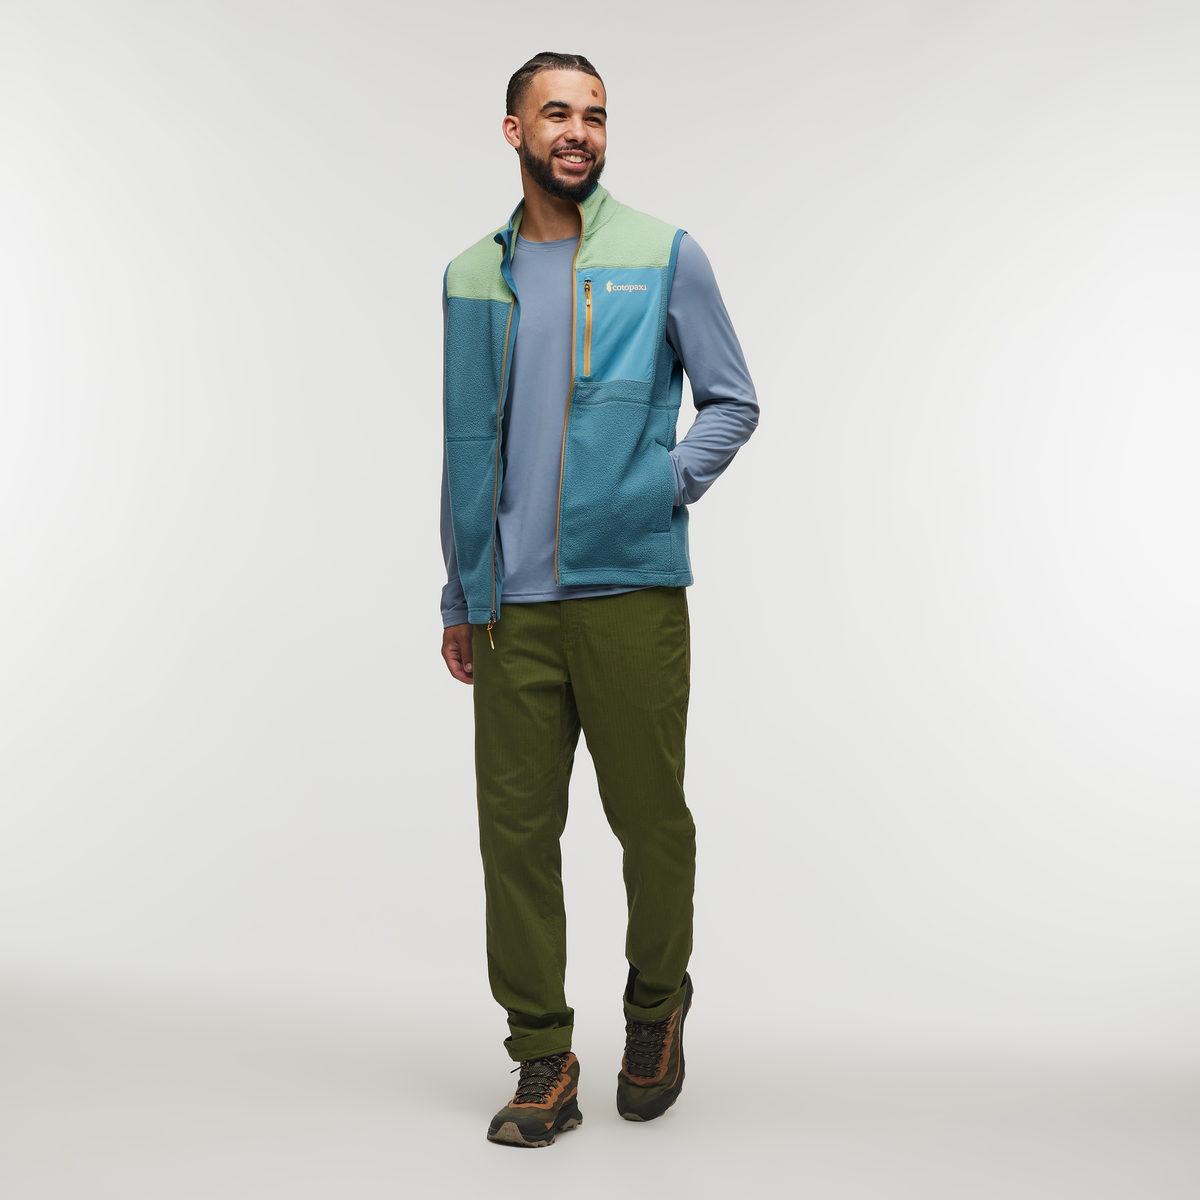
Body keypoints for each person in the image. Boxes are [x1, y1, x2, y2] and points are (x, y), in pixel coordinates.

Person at [439, 51, 758, 1147]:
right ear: (514, 131)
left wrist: (657, 485)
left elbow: (732, 400)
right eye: (557, 114)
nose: (579, 131)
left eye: (596, 116)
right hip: (508, 610)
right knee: (515, 838)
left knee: (651, 822)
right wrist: (459, 591)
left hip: (630, 593)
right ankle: (543, 1053)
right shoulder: (469, 277)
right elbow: (463, 443)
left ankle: (655, 1011)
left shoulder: (664, 254)